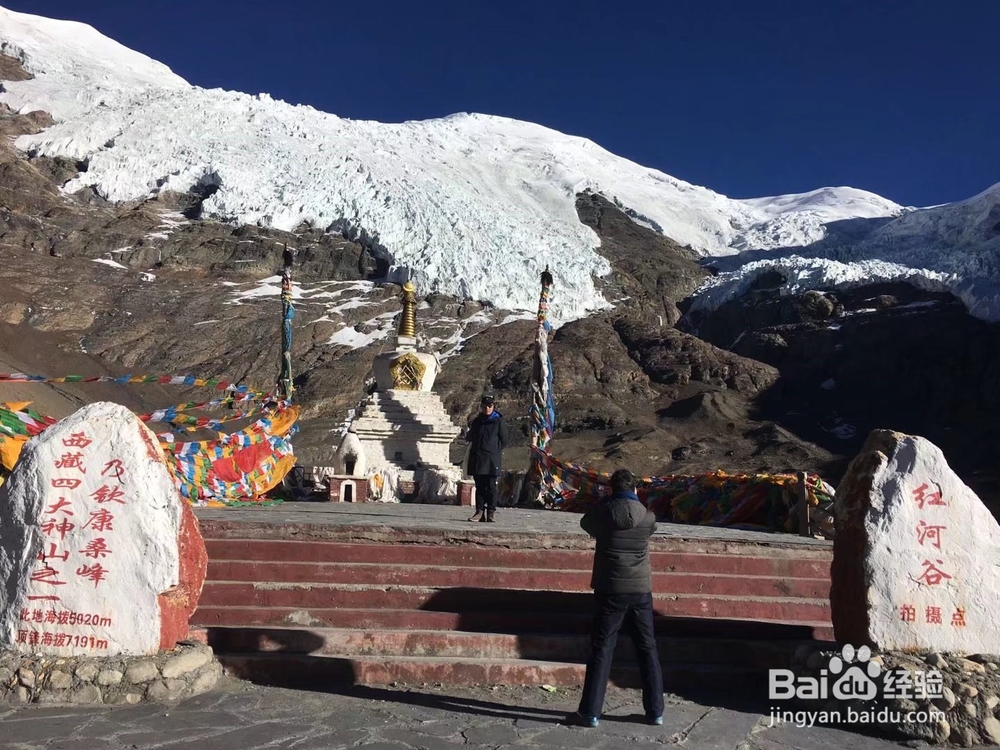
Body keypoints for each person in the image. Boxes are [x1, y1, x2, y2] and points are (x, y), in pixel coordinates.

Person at [570, 468, 663, 728]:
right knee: (647, 647)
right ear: (634, 489)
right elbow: (651, 528)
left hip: (610, 589)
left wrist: (605, 501)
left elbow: (585, 523)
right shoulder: (647, 517)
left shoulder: (603, 513)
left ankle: (590, 711)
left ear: (612, 489)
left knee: (602, 648)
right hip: (640, 590)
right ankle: (655, 710)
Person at [464, 395, 508, 523]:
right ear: (481, 406)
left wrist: (493, 450)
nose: (487, 408)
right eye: (485, 406)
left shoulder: (498, 421)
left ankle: (491, 512)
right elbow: (471, 436)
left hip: (492, 459)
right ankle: (479, 512)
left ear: (493, 406)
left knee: (491, 487)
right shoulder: (477, 421)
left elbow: (504, 439)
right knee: (480, 486)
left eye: (490, 406)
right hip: (478, 458)